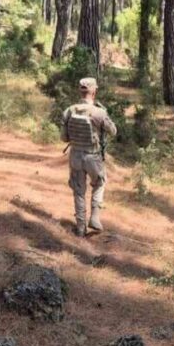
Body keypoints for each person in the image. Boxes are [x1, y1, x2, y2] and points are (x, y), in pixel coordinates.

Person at [61, 77, 117, 237]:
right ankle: (94, 217)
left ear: (80, 91)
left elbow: (64, 138)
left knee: (78, 191)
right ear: (94, 92)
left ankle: (80, 227)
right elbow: (113, 131)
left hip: (75, 157)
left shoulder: (69, 111)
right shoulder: (99, 112)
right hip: (93, 156)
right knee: (100, 182)